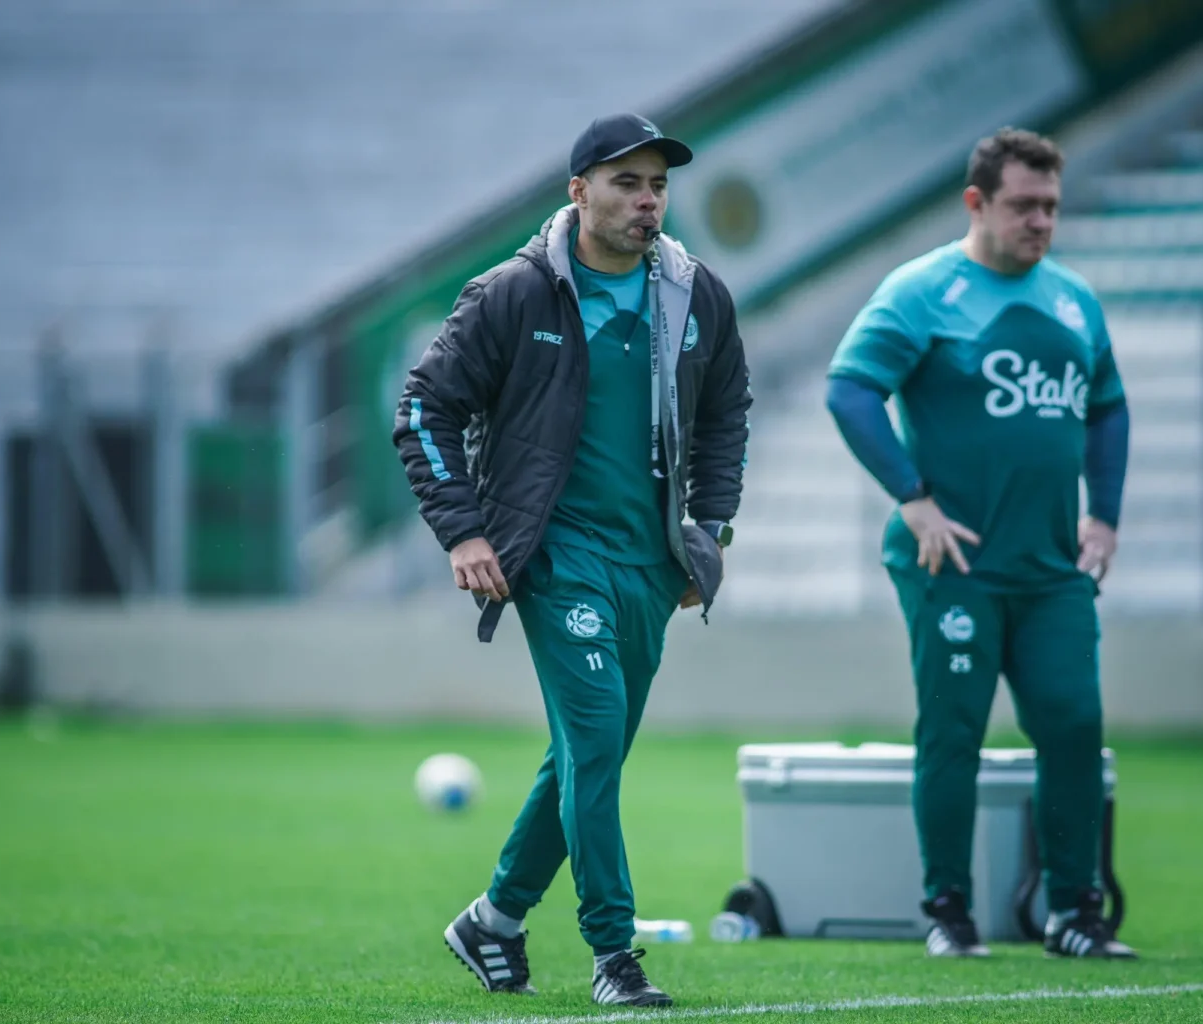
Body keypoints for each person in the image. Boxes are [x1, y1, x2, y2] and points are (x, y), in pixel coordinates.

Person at [392, 112, 751, 1006]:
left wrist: (709, 531)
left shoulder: (696, 294)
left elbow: (726, 414)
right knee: (593, 743)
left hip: (651, 567)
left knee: (583, 760)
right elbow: (422, 410)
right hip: (553, 557)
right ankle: (614, 956)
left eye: (658, 185)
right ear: (578, 191)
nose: (647, 201)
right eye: (626, 183)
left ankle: (494, 919)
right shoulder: (512, 294)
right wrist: (465, 532)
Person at [825, 127, 1135, 959]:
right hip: (952, 563)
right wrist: (913, 501)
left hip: (1051, 570)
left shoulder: (1074, 300)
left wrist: (1103, 514)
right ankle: (948, 910)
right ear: (977, 203)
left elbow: (1108, 405)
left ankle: (1074, 911)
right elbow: (851, 391)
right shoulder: (922, 291)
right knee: (953, 729)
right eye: (1024, 206)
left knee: (1073, 723)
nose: (1041, 222)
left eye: (1051, 207)